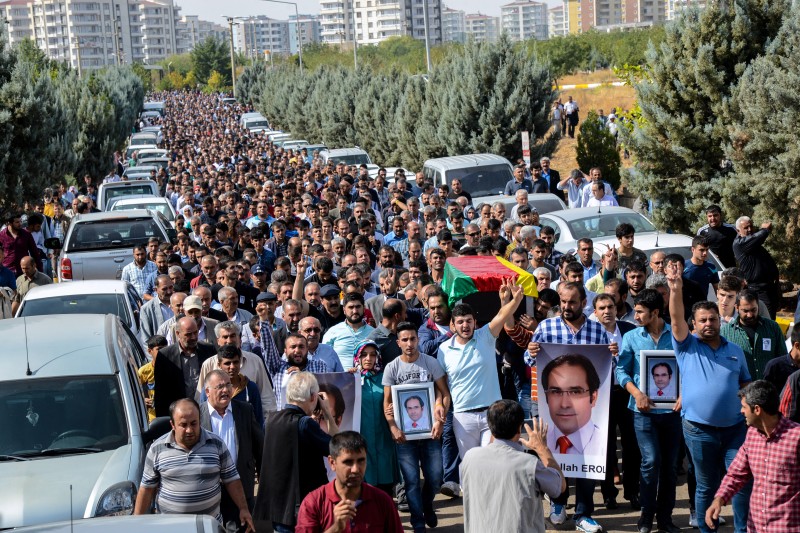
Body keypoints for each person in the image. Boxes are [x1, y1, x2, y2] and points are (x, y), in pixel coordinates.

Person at [666, 261, 752, 533]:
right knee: (706, 485)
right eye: (702, 320)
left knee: (741, 481)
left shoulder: (735, 350)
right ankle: (707, 530)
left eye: (712, 319)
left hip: (735, 430)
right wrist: (675, 289)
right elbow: (676, 318)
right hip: (699, 429)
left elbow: (745, 383)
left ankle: (742, 529)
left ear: (719, 321)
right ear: (693, 324)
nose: (708, 324)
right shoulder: (686, 346)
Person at [526, 281, 614, 533]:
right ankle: (558, 503)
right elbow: (529, 360)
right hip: (552, 408)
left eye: (572, 302)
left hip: (587, 410)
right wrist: (531, 351)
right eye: (563, 302)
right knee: (554, 454)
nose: (566, 306)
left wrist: (613, 353)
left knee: (588, 457)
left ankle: (583, 514)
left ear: (584, 303)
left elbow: (608, 366)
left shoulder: (598, 330)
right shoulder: (546, 327)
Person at [134, 399, 255, 532]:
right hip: (170, 528)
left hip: (208, 528)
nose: (189, 430)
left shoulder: (216, 444)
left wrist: (243, 508)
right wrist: (135, 523)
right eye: (183, 425)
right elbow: (147, 489)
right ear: (173, 425)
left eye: (193, 423)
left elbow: (231, 479)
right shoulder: (157, 449)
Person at [616, 289, 682, 533]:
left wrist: (683, 394)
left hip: (672, 413)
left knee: (670, 467)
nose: (635, 316)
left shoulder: (677, 335)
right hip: (642, 412)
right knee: (651, 461)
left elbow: (688, 368)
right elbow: (621, 370)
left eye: (640, 312)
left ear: (655, 312)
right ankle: (646, 516)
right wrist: (637, 394)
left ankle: (665, 519)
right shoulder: (632, 337)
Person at [437, 278, 524, 459]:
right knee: (470, 463)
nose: (465, 325)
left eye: (469, 321)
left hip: (491, 414)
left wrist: (515, 300)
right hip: (462, 417)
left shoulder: (486, 335)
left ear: (475, 322)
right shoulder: (444, 349)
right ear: (453, 325)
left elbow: (501, 315)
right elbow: (441, 385)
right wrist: (439, 404)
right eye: (460, 322)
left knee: (492, 460)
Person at [383, 321, 451, 532]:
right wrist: (393, 427)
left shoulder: (430, 363)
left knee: (435, 477)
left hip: (431, 433)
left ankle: (427, 504)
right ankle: (417, 522)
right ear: (398, 342)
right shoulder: (392, 367)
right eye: (404, 339)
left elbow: (444, 393)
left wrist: (440, 421)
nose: (409, 343)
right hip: (405, 437)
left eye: (413, 338)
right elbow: (387, 403)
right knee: (411, 481)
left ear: (418, 339)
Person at [706, 380, 800, 532]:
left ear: (757, 409)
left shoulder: (796, 437)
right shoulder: (752, 435)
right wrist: (719, 500)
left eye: (744, 407)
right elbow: (736, 474)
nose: (741, 411)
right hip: (756, 527)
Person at [460, 400, 565, 533]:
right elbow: (560, 486)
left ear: (490, 426)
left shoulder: (470, 457)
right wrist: (542, 448)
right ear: (519, 428)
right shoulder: (528, 464)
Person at [254, 372, 340, 533]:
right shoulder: (305, 424)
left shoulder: (270, 420)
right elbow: (338, 448)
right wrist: (327, 413)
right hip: (301, 508)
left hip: (277, 509)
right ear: (313, 397)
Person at [295, 431, 404, 533]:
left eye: (361, 460)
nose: (355, 469)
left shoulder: (382, 501)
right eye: (348, 462)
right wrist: (335, 529)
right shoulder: (313, 503)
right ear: (332, 463)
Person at [200, 370, 264, 529]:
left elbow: (260, 448)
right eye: (220, 387)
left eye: (228, 385)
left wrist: (264, 483)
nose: (225, 390)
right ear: (207, 392)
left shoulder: (245, 410)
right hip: (209, 489)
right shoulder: (197, 415)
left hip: (241, 485)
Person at [350, 340, 398, 495]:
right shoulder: (351, 379)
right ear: (357, 357)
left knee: (385, 483)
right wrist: (347, 379)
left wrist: (395, 407)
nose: (368, 359)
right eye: (364, 355)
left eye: (372, 355)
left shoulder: (385, 378)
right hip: (362, 438)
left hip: (384, 437)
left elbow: (395, 401)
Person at [540, 354, 604, 456]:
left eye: (575, 392)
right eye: (556, 392)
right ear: (546, 397)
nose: (564, 404)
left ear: (593, 397)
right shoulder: (540, 443)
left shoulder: (604, 446)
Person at [153, 316, 217, 417]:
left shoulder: (208, 350)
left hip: (207, 412)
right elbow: (160, 393)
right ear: (178, 334)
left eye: (195, 332)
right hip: (179, 414)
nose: (193, 337)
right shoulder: (165, 356)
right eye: (188, 334)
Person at [720, 289, 787, 381]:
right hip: (741, 387)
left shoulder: (772, 327)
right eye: (745, 311)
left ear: (758, 306)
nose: (750, 315)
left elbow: (783, 358)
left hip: (768, 386)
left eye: (753, 310)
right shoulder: (726, 332)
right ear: (737, 307)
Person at [732, 217, 780, 318]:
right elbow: (757, 237)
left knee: (771, 317)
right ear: (738, 231)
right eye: (746, 228)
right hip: (759, 289)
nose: (750, 229)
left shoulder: (751, 243)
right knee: (767, 319)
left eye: (751, 226)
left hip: (769, 287)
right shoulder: (739, 244)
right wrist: (764, 230)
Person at [322, 292, 375, 370]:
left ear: (364, 309)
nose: (355, 311)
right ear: (344, 310)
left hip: (368, 377)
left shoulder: (373, 333)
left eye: (358, 307)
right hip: (340, 376)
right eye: (351, 307)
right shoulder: (332, 332)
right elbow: (324, 359)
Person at [138, 334, 167, 421]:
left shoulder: (173, 367)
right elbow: (134, 392)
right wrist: (142, 400)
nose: (163, 352)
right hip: (153, 418)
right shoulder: (144, 371)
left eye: (165, 349)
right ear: (150, 351)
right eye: (159, 349)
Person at [139, 274, 174, 343]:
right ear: (155, 290)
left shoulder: (180, 303)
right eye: (164, 289)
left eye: (171, 287)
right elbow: (146, 338)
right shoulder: (147, 309)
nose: (169, 291)